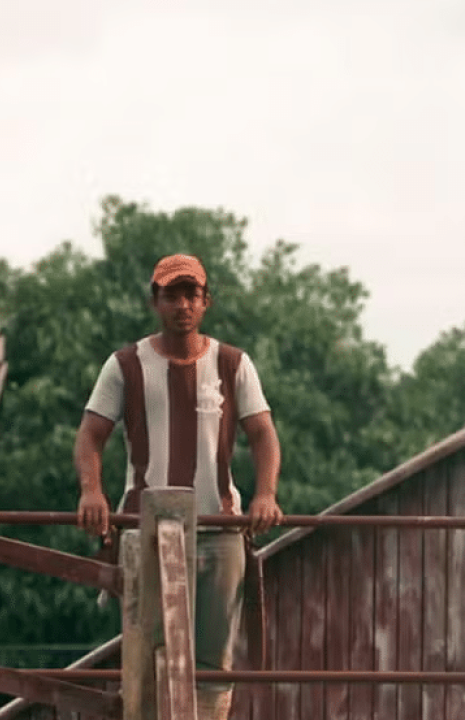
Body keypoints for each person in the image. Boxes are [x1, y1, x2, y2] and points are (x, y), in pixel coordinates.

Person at [73, 253, 283, 719]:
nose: (182, 305)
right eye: (172, 295)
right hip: (145, 530)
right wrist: (93, 491)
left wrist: (266, 493)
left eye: (192, 294)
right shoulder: (126, 364)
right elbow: (90, 435)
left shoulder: (232, 364)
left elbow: (264, 434)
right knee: (148, 653)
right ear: (156, 301)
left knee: (212, 662)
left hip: (220, 527)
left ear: (206, 301)